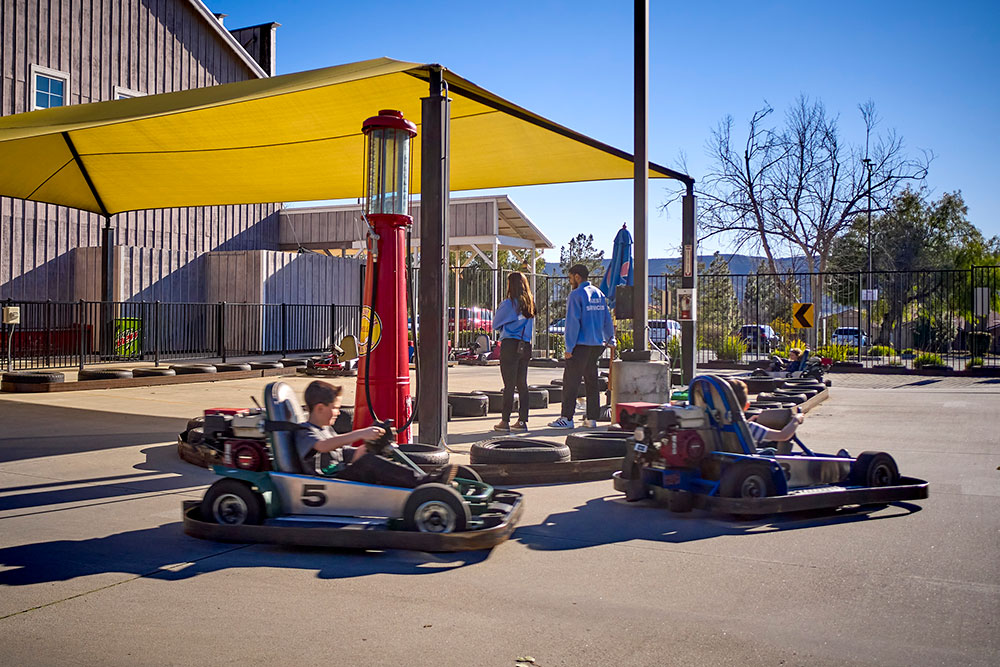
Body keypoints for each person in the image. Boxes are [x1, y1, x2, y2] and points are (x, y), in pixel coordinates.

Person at [294, 380, 455, 488]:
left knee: (374, 456)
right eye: (335, 408)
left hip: (340, 475)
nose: (337, 412)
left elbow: (339, 451)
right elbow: (323, 446)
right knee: (369, 463)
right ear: (320, 408)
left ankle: (418, 483)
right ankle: (423, 483)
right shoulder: (305, 432)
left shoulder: (326, 429)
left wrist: (366, 448)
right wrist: (360, 433)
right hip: (327, 482)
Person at [549, 264, 615, 429]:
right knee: (592, 382)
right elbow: (607, 319)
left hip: (580, 345)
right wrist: (610, 339)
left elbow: (573, 322)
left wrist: (569, 347)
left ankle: (566, 418)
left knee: (571, 382)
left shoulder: (576, 294)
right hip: (597, 345)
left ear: (577, 277)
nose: (570, 281)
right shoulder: (599, 294)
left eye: (571, 278)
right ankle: (591, 418)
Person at [491, 271, 535, 432]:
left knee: (509, 385)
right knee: (522, 383)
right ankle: (523, 420)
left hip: (510, 344)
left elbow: (495, 324)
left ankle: (505, 420)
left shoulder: (508, 304)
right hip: (526, 345)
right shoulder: (530, 303)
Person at [726, 378, 804, 448]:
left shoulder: (715, 426)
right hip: (745, 462)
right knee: (771, 449)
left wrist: (748, 421)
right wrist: (796, 419)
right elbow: (783, 435)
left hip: (721, 460)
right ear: (747, 406)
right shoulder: (748, 428)